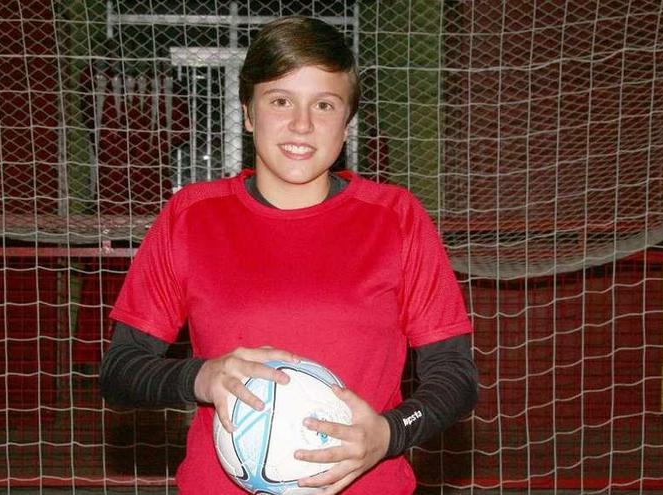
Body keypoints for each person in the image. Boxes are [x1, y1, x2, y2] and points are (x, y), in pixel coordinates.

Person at [100, 16, 478, 495]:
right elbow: (120, 371)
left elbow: (456, 376)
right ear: (248, 112)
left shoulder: (396, 217)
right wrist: (202, 375)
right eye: (281, 101)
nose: (302, 124)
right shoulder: (191, 216)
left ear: (347, 121)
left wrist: (389, 433)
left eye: (324, 104)